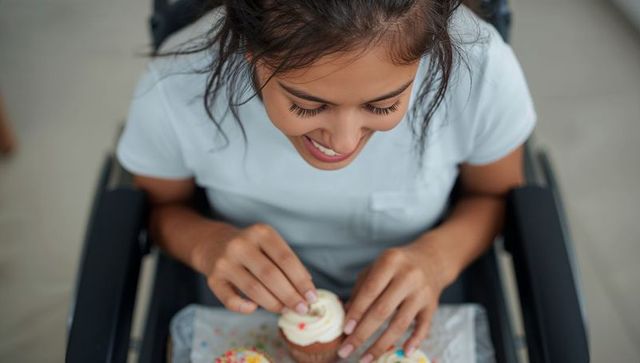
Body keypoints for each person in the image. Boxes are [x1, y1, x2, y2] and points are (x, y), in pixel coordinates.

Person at [116, 1, 537, 361]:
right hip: (238, 310)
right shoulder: (177, 84)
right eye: (305, 106)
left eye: (384, 104)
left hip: (427, 300)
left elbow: (494, 195)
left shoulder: (481, 69)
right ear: (248, 51)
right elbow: (158, 208)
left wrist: (437, 259)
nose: (343, 141)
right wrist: (206, 244)